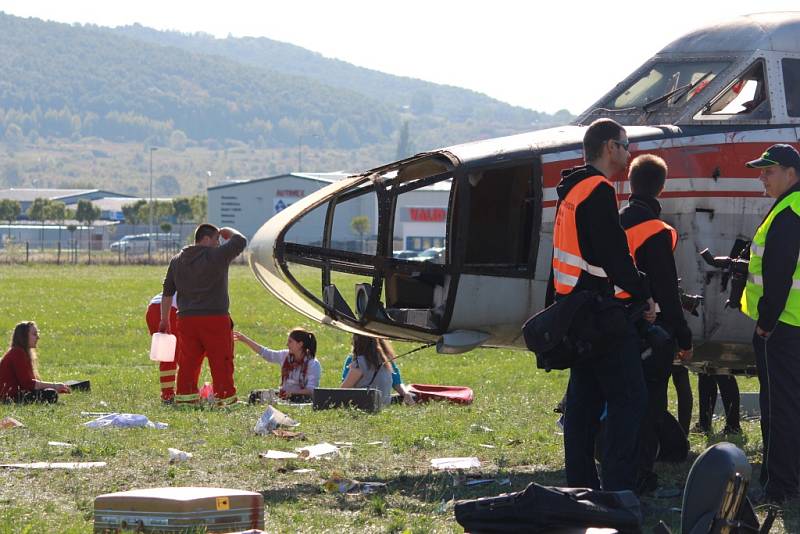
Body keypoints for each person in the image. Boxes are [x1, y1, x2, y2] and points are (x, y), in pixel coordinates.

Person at [550, 118, 656, 491]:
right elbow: (614, 256)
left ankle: (580, 489)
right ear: (610, 147)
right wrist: (645, 295)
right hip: (598, 313)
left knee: (583, 405)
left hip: (574, 312)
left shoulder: (571, 190)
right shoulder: (597, 190)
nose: (629, 154)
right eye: (626, 145)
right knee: (630, 398)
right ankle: (617, 492)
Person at [619, 154, 694, 493]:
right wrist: (683, 335)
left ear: (631, 183)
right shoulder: (655, 230)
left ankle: (618, 465)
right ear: (661, 187)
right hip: (649, 330)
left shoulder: (614, 221)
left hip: (615, 325)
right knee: (651, 404)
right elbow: (666, 287)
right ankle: (642, 473)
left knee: (620, 400)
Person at [740, 143, 800, 503]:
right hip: (793, 323)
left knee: (779, 407)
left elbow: (778, 275)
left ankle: (781, 487)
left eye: (769, 170)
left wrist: (765, 323)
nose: (761, 177)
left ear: (792, 175)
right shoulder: (792, 207)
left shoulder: (788, 212)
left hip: (782, 326)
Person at [161, 223, 247, 407]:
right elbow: (240, 241)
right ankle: (225, 399)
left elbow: (167, 291)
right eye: (216, 239)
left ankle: (186, 398)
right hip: (214, 318)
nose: (218, 243)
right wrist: (228, 231)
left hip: (185, 319)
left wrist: (164, 319)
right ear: (206, 239)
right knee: (221, 360)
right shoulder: (216, 255)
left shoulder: (177, 260)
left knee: (188, 362)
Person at [234, 328, 321, 400]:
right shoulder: (285, 355)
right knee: (255, 396)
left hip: (301, 399)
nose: (287, 344)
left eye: (290, 341)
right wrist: (245, 340)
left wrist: (292, 393)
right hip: (283, 396)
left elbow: (311, 390)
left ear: (300, 344)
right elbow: (266, 353)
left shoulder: (313, 364)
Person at [0, 321, 71, 403]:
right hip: (10, 397)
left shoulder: (22, 352)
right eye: (34, 334)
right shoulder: (17, 353)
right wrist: (55, 386)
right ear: (24, 336)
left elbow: (30, 383)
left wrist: (56, 387)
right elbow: (28, 384)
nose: (38, 337)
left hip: (17, 394)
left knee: (50, 392)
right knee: (51, 394)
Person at [341, 338, 416, 405]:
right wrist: (406, 394)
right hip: (385, 402)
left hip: (365, 404)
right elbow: (397, 383)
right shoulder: (387, 360)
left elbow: (343, 390)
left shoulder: (357, 362)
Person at [146, 292, 181, 403]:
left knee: (168, 356)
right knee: (176, 355)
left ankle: (168, 394)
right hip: (169, 310)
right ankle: (174, 394)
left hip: (153, 308)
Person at [340, 334, 393, 406]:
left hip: (367, 406)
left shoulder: (360, 363)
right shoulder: (385, 362)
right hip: (384, 405)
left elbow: (342, 390)